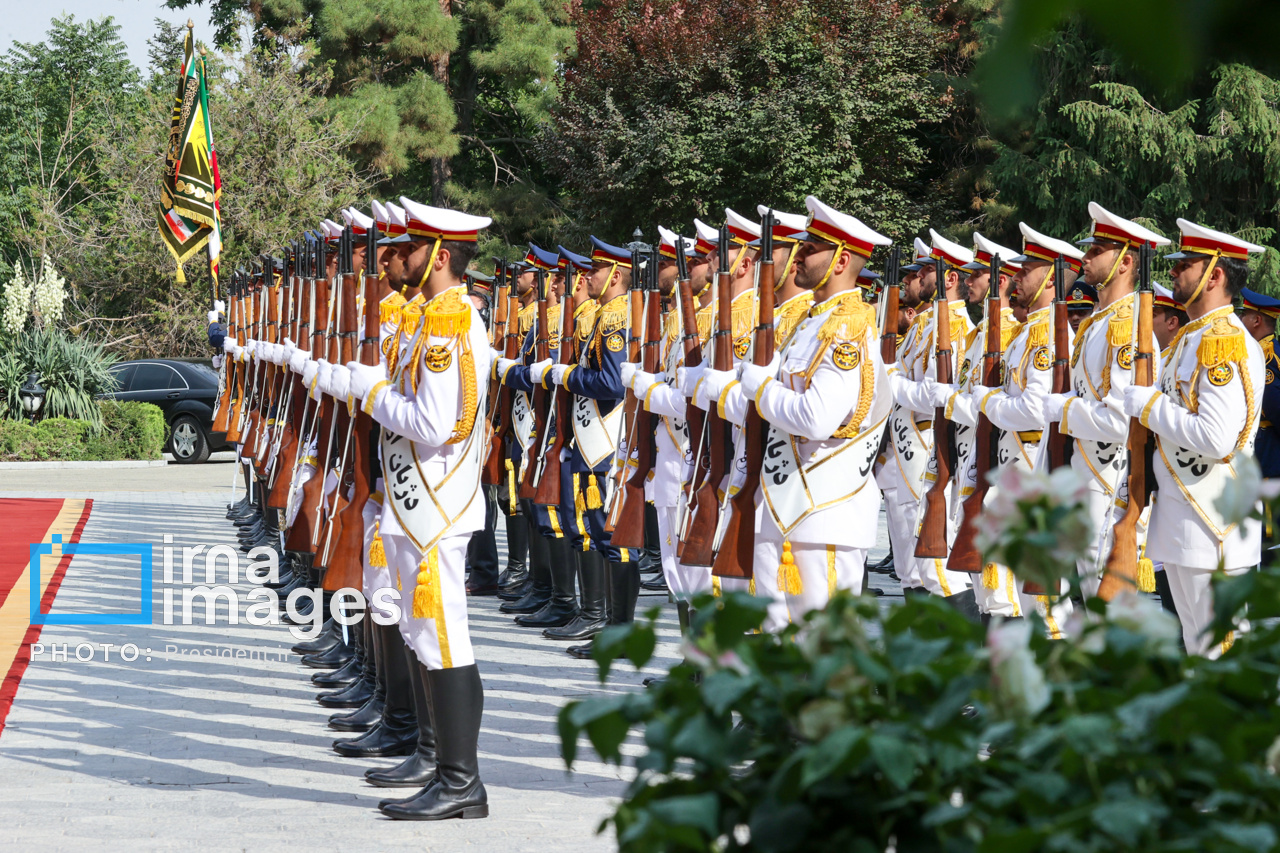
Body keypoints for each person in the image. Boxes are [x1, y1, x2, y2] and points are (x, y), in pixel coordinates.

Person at [346, 195, 494, 820]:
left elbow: (434, 425)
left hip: (435, 503)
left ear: (438, 255)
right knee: (424, 634)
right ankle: (441, 767)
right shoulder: (433, 317)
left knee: (444, 637)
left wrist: (374, 393)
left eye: (409, 247)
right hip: (418, 503)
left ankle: (461, 783)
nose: (398, 256)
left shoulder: (449, 323)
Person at [721, 196, 893, 631]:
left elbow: (817, 418)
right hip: (784, 501)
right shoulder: (810, 323)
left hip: (823, 509)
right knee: (779, 637)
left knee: (823, 642)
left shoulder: (846, 329)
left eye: (811, 249)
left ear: (842, 260)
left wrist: (760, 389)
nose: (798, 256)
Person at [1120, 218, 1266, 658]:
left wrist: (1149, 406)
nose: (1174, 272)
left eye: (1184, 265)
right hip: (1183, 517)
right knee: (1198, 649)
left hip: (1214, 523)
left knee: (1220, 656)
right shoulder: (1190, 337)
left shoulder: (1224, 341)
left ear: (1215, 275)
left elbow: (1216, 438)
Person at [1044, 203, 1170, 601]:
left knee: (1107, 609)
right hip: (1086, 480)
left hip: (1111, 484)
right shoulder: (1099, 322)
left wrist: (1061, 409)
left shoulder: (1126, 326)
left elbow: (1119, 421)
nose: (1086, 257)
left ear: (1126, 262)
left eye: (1097, 251)